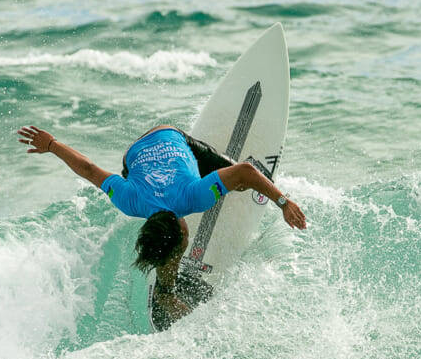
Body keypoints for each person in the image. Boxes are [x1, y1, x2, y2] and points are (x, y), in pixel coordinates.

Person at [17, 124, 306, 328]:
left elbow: (246, 171)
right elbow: (89, 170)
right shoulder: (130, 200)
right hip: (135, 154)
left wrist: (283, 202)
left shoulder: (195, 196)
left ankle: (165, 291)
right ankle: (165, 293)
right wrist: (51, 145)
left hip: (171, 137)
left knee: (240, 183)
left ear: (181, 228)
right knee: (169, 238)